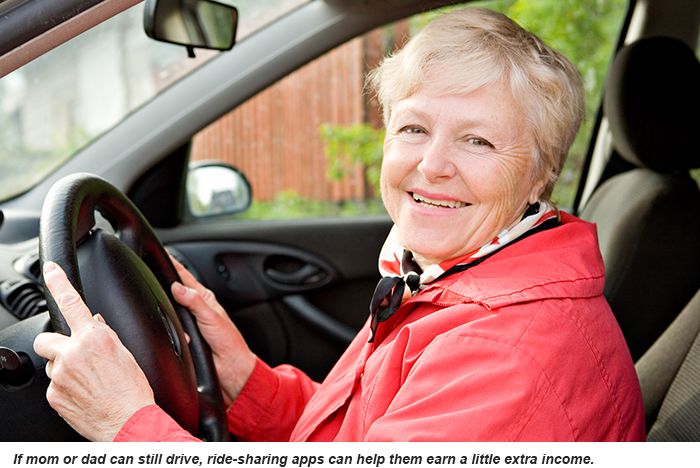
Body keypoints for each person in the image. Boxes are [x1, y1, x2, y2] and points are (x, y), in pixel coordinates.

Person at [34, 7, 646, 441]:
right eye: (413, 128)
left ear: (541, 176)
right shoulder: (447, 275)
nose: (431, 167)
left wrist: (125, 424)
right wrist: (245, 382)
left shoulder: (507, 353)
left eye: (478, 141)